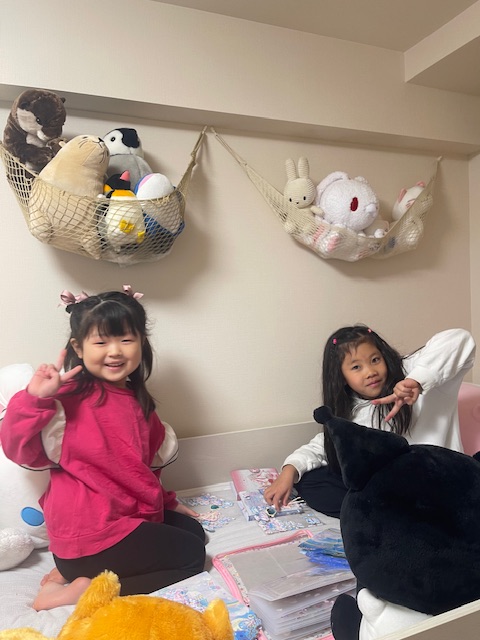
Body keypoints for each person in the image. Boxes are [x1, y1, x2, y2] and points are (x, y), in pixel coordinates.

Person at [1, 286, 206, 610]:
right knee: (193, 557)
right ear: (78, 348)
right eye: (101, 342)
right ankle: (83, 591)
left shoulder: (139, 402)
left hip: (119, 524)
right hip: (87, 537)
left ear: (142, 343)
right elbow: (18, 450)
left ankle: (72, 573)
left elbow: (145, 467)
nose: (115, 351)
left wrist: (168, 502)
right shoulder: (65, 399)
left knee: (195, 533)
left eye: (126, 339)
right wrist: (35, 399)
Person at [264, 325, 476, 518]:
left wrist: (417, 381)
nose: (370, 372)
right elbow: (325, 445)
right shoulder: (353, 410)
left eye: (375, 360)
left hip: (439, 482)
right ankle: (390, 513)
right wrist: (289, 470)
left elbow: (460, 339)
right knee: (311, 481)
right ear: (341, 376)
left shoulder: (415, 373)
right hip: (395, 491)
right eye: (356, 367)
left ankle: (394, 515)